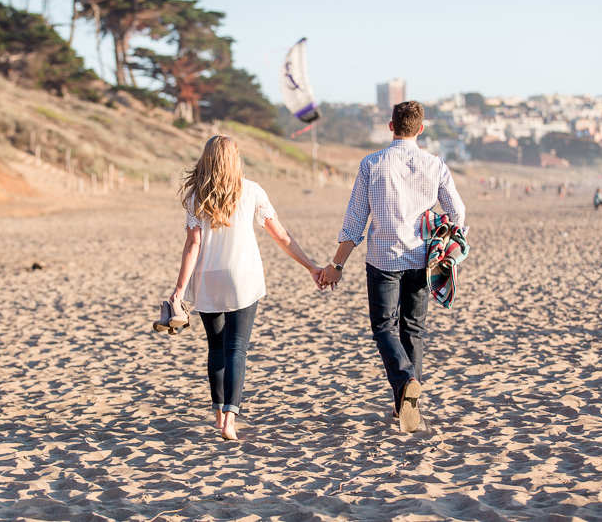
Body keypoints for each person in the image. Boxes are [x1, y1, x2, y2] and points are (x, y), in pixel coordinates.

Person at [319, 101, 466, 433]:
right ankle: (407, 404)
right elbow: (457, 213)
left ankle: (405, 384)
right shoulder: (435, 164)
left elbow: (355, 221)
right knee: (413, 331)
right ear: (421, 129)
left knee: (384, 329)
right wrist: (441, 239)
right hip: (421, 258)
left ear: (391, 126)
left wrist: (336, 265)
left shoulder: (372, 163)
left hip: (383, 259)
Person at [170, 135, 324, 440]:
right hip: (243, 276)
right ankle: (230, 419)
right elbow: (280, 235)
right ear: (234, 158)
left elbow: (193, 244)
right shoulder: (252, 190)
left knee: (215, 348)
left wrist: (178, 290)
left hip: (208, 277)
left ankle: (217, 415)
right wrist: (310, 266)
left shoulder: (195, 197)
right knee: (236, 348)